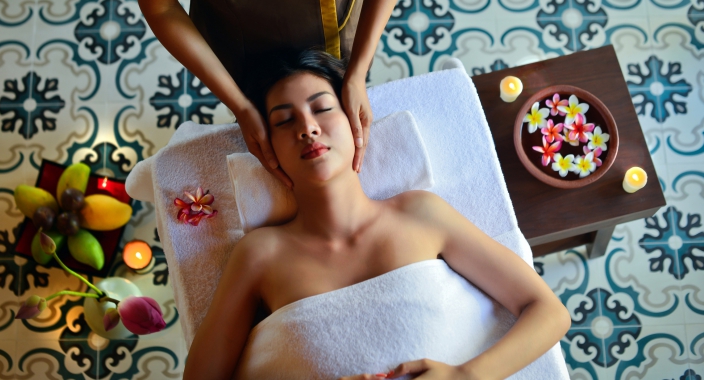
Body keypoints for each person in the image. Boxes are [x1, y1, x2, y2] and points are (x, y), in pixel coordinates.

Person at [182, 50, 571, 379]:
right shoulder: (259, 253)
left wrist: (464, 376)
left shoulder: (419, 213)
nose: (308, 128)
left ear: (356, 123)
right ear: (266, 149)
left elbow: (548, 312)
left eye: (321, 108)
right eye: (285, 121)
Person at [117, 0, 418, 189]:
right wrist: (240, 105)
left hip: (337, 44)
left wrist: (355, 74)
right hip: (242, 65)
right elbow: (161, 7)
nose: (309, 131)